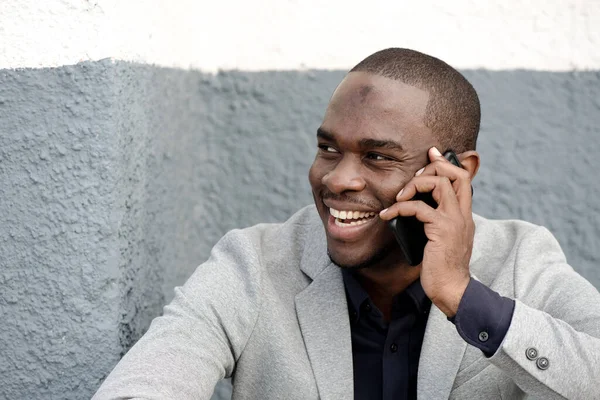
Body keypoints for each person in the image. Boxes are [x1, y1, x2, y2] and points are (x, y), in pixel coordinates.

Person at [93, 48, 600, 400]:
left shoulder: (522, 260)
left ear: (455, 172)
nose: (337, 179)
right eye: (328, 148)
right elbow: (145, 383)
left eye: (378, 157)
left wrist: (462, 295)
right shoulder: (251, 265)